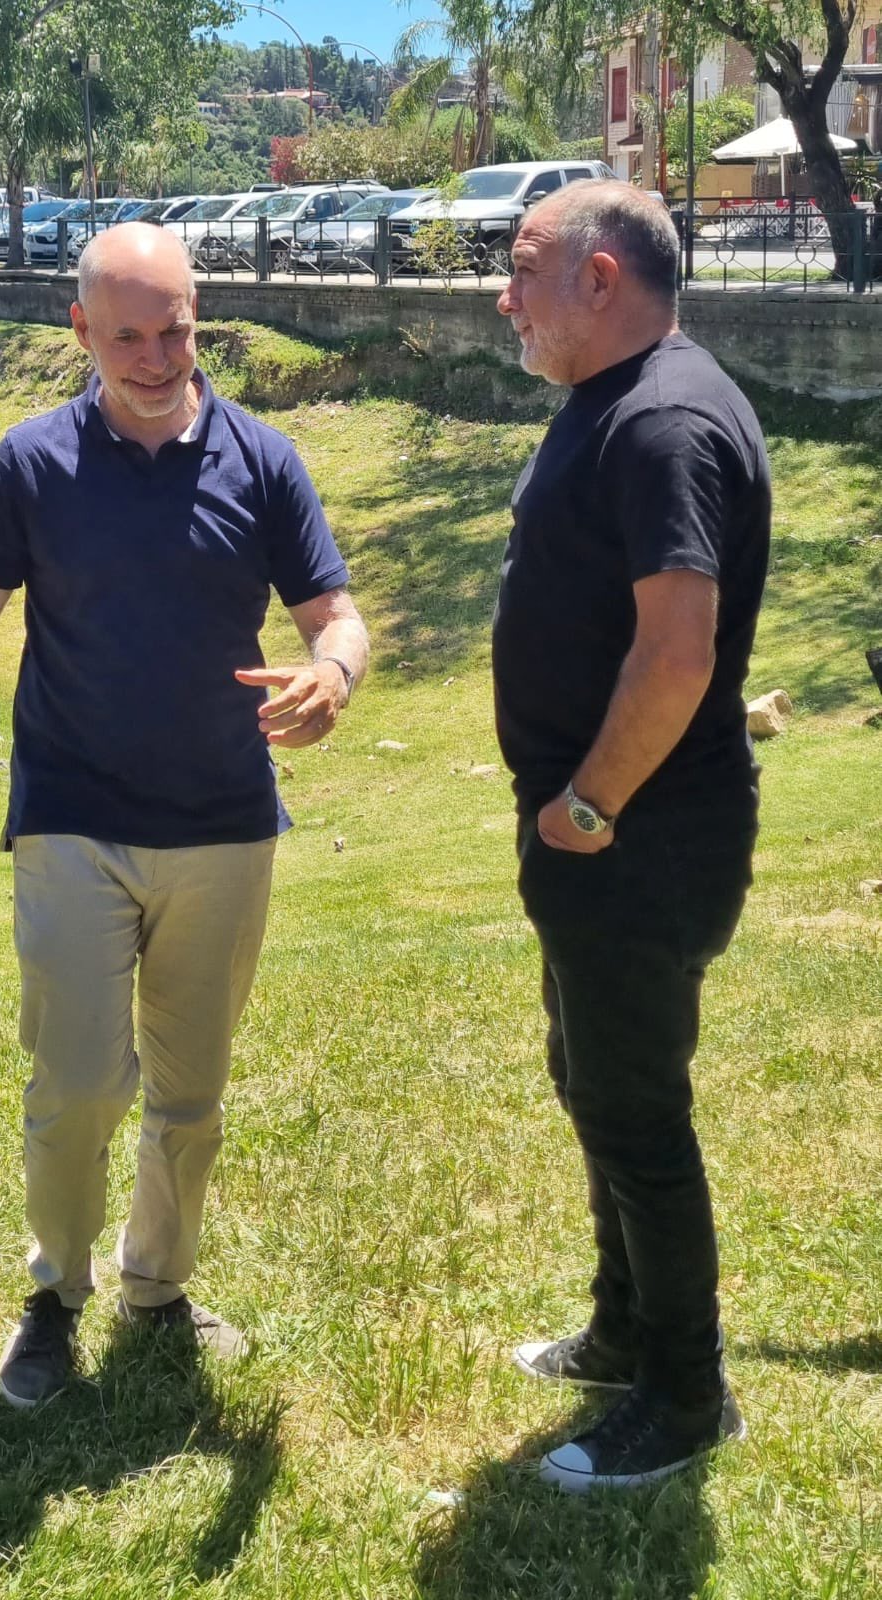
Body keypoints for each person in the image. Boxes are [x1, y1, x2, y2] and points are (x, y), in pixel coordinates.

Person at [0, 222, 368, 1409]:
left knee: (189, 1091)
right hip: (72, 815)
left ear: (198, 319)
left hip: (226, 821)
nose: (152, 355)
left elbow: (333, 614)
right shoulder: (31, 463)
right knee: (76, 1080)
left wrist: (332, 674)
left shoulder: (262, 460)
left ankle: (157, 1286)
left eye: (173, 328)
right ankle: (54, 1292)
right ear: (78, 331)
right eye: (125, 334)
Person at [492, 180, 770, 1492]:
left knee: (635, 1113)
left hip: (634, 840)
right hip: (596, 843)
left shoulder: (659, 418)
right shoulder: (618, 402)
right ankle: (621, 1329)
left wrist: (586, 805)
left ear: (598, 278)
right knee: (592, 1086)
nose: (503, 295)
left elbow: (674, 653)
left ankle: (681, 1391)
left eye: (520, 268)